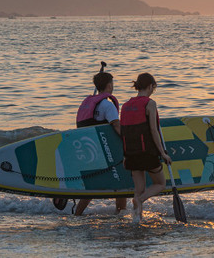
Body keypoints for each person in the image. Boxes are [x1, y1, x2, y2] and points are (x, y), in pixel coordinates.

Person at [73, 71, 127, 216]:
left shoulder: (88, 104)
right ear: (109, 85)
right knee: (121, 183)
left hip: (88, 149)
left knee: (93, 185)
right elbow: (116, 126)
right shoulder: (107, 105)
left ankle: (77, 214)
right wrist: (128, 140)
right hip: (105, 150)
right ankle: (120, 215)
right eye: (112, 84)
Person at [120, 73, 172, 223]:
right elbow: (154, 130)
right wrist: (162, 153)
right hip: (147, 153)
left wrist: (125, 155)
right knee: (160, 183)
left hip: (131, 154)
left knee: (139, 190)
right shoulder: (150, 103)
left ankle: (137, 219)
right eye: (153, 88)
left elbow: (124, 131)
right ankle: (141, 200)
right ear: (150, 86)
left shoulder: (126, 105)